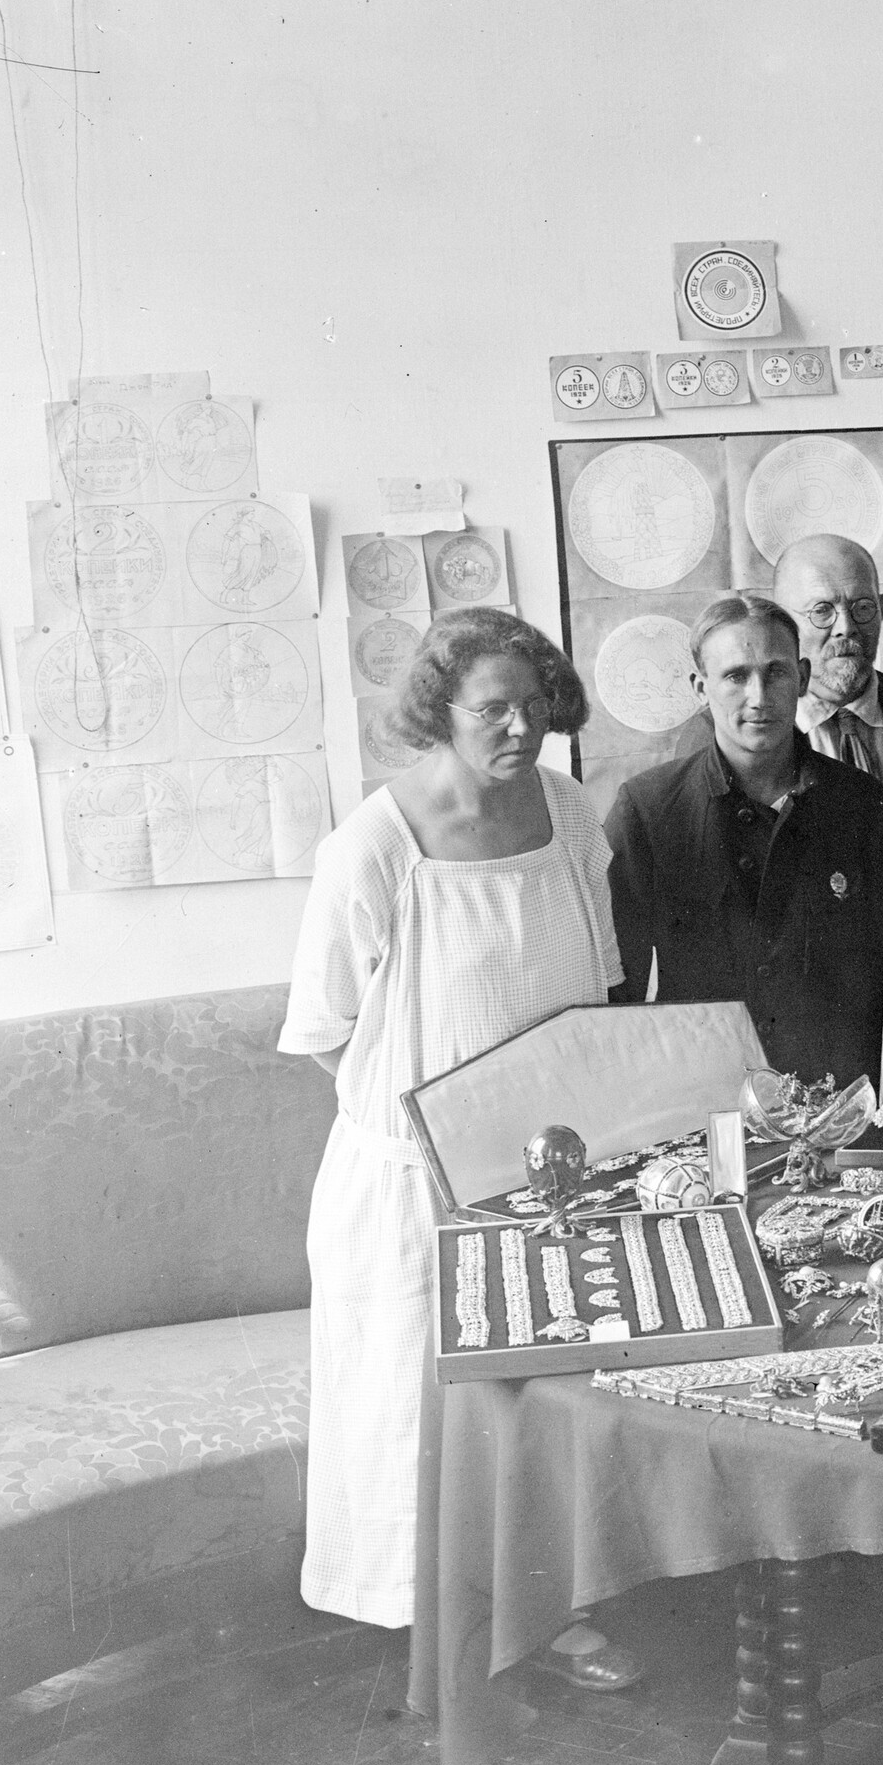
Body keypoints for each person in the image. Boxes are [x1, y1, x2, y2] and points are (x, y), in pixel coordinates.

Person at [277, 607, 639, 1687]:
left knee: (549, 1398)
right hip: (412, 1192)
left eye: (535, 707)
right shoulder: (372, 846)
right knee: (414, 1418)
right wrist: (426, 1128)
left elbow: (601, 982)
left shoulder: (571, 814)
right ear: (441, 712)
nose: (520, 729)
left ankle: (554, 1615)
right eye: (494, 709)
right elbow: (324, 1030)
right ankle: (433, 1630)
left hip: (548, 1181)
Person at [605, 592, 883, 1085]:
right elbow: (622, 989)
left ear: (803, 678)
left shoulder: (863, 804)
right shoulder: (649, 810)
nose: (759, 697)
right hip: (708, 1091)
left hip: (842, 1093)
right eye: (736, 676)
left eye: (777, 672)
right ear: (701, 687)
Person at [771, 532, 883, 882]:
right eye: (822, 611)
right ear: (784, 623)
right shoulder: (741, 732)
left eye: (863, 607)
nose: (847, 628)